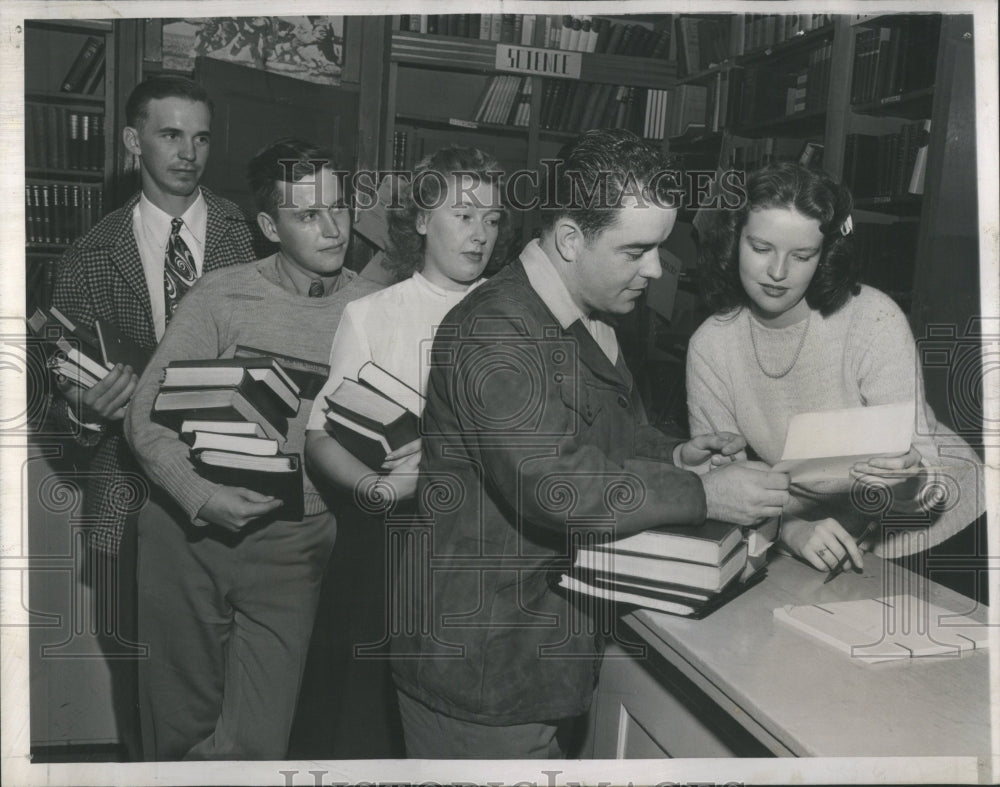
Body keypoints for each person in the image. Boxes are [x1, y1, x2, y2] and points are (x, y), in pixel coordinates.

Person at [387, 129, 790, 759]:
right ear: (571, 239)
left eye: (659, 247)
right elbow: (554, 480)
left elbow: (603, 434)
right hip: (483, 671)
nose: (656, 269)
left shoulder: (581, 316)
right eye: (636, 250)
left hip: (538, 657)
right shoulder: (495, 329)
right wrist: (702, 491)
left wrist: (673, 455)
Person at [123, 138, 381, 760]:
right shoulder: (220, 294)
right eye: (306, 215)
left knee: (258, 745)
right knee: (177, 731)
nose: (332, 228)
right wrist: (201, 496)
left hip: (296, 543)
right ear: (269, 226)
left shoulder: (372, 308)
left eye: (340, 207)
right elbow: (143, 415)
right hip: (188, 537)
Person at [47, 75, 260, 759]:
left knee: (232, 690)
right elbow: (59, 396)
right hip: (129, 497)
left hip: (238, 488)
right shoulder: (87, 254)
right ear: (134, 140)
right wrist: (84, 412)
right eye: (171, 135)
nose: (188, 152)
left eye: (200, 137)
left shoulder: (252, 236)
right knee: (144, 687)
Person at [302, 144, 509, 756]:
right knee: (366, 720)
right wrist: (372, 487)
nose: (480, 236)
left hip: (482, 543)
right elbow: (320, 434)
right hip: (391, 540)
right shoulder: (372, 314)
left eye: (493, 220)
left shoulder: (516, 312)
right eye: (464, 216)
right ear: (420, 220)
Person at [687, 161, 983, 573]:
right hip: (826, 530)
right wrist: (790, 530)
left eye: (802, 255)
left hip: (941, 522)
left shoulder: (872, 319)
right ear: (733, 240)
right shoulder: (710, 346)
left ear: (824, 256)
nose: (777, 272)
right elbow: (723, 489)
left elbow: (928, 478)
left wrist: (909, 473)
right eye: (760, 248)